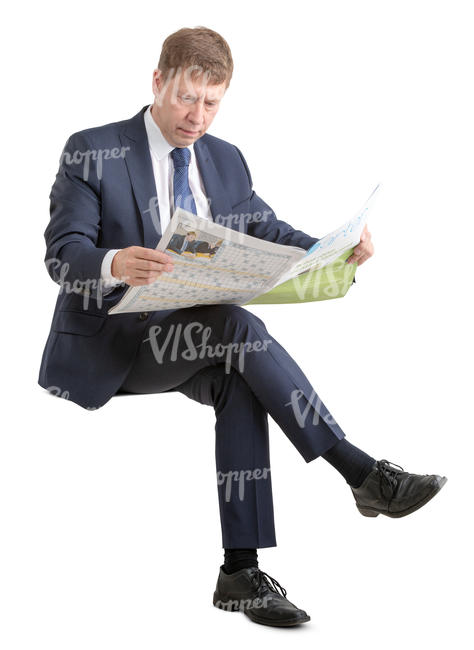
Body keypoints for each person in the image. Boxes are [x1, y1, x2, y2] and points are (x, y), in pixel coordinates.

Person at [38, 26, 447, 628]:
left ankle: (240, 572)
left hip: (197, 334)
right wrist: (113, 261)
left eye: (212, 102)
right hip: (119, 341)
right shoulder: (92, 150)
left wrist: (334, 251)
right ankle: (361, 473)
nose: (197, 116)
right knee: (235, 328)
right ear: (158, 82)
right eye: (185, 98)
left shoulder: (224, 159)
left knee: (239, 373)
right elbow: (60, 253)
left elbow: (268, 231)